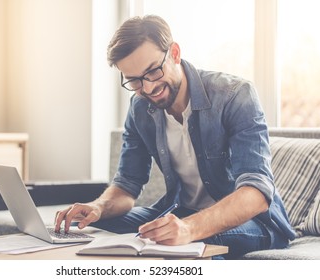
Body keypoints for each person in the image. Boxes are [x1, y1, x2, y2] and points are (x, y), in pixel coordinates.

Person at [55, 15, 295, 259]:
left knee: (189, 244)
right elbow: (127, 185)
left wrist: (189, 227)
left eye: (153, 72)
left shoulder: (235, 95)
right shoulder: (139, 109)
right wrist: (99, 207)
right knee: (88, 229)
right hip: (182, 212)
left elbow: (256, 193)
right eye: (134, 81)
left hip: (255, 222)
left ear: (175, 53)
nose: (147, 88)